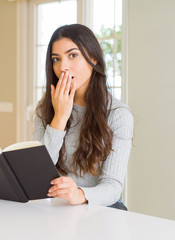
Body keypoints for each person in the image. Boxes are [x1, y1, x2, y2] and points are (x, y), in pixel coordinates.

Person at [33, 24, 133, 209]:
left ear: (93, 58)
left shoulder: (118, 115)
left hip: (101, 209)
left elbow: (113, 187)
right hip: (57, 208)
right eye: (56, 59)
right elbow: (37, 172)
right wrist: (60, 119)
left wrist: (79, 194)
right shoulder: (45, 109)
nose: (63, 66)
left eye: (73, 55)